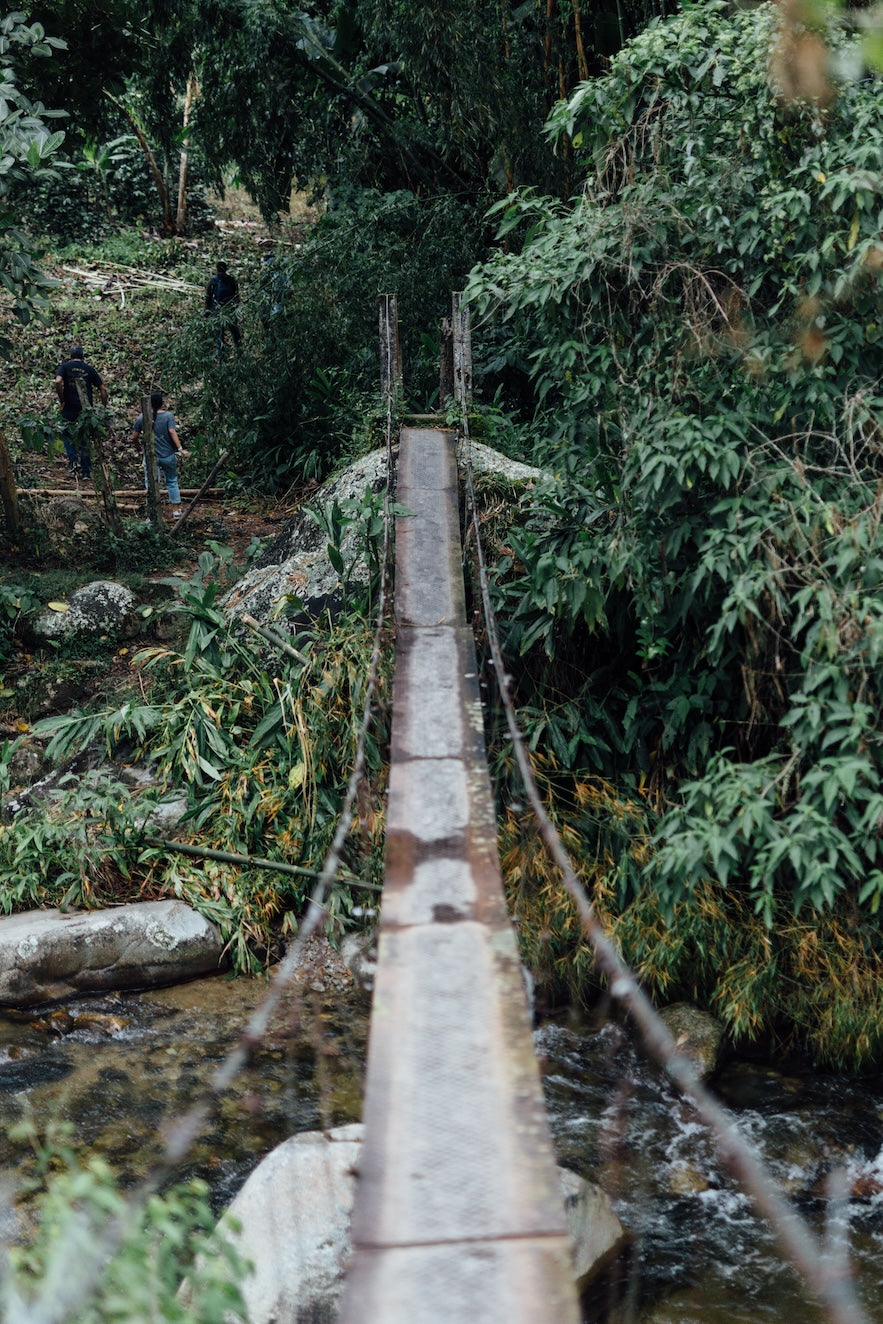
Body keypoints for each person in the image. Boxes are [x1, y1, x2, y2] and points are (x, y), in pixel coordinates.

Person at [129, 392, 190, 518]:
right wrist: (180, 449)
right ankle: (176, 510)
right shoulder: (168, 416)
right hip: (168, 455)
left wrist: (139, 448)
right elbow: (172, 431)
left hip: (151, 457)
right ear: (162, 403)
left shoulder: (143, 417)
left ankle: (153, 512)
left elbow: (134, 437)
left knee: (151, 483)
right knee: (172, 481)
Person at [54, 344, 107, 479]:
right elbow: (103, 390)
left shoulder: (65, 367)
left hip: (69, 408)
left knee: (67, 433)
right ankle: (86, 472)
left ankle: (73, 461)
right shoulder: (89, 369)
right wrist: (102, 407)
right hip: (85, 409)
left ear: (70, 356)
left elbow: (58, 382)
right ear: (83, 356)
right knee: (84, 439)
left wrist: (62, 400)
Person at [204, 260, 241, 358]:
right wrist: (237, 309)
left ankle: (222, 360)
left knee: (219, 336)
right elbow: (236, 296)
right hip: (230, 310)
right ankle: (240, 355)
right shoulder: (232, 280)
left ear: (216, 269)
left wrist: (207, 310)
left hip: (217, 311)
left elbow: (208, 297)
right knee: (235, 333)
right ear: (226, 269)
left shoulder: (213, 280)